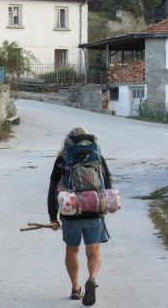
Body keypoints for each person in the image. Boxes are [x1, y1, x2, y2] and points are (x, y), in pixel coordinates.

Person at [47, 127, 113, 306]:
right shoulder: (97, 157)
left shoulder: (63, 159)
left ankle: (76, 289)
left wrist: (53, 217)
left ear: (68, 141)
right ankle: (91, 278)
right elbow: (108, 182)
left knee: (72, 251)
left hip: (71, 211)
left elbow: (53, 189)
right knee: (93, 251)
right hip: (94, 209)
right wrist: (104, 204)